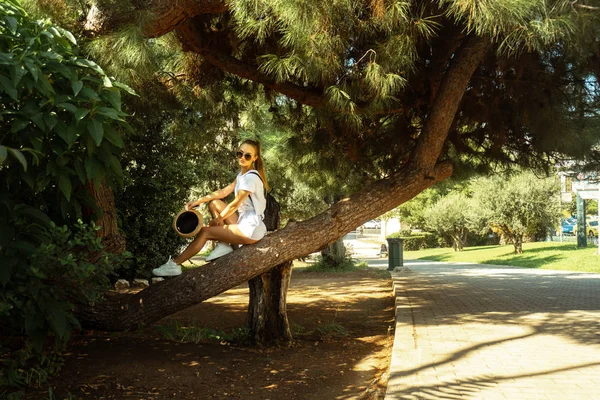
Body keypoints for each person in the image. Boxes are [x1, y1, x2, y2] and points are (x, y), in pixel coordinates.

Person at [152, 139, 268, 277]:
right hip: (245, 222)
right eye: (240, 153)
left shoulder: (251, 178)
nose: (242, 158)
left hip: (251, 228)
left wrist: (218, 220)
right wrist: (197, 201)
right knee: (214, 203)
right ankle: (224, 245)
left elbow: (235, 204)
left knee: (206, 232)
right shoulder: (242, 176)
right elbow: (223, 192)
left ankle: (175, 265)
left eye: (247, 156)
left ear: (255, 158)